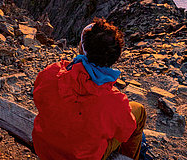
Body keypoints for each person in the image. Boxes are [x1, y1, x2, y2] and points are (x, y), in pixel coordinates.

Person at [32, 18, 146, 160]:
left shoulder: (52, 72)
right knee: (139, 111)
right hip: (82, 156)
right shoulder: (115, 101)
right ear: (114, 58)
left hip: (44, 148)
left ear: (82, 49)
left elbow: (38, 98)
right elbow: (124, 133)